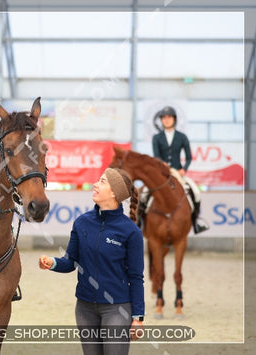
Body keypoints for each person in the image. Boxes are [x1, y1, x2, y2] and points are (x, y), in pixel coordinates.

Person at [39, 168, 145, 355]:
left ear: (115, 193)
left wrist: (138, 317)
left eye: (102, 181)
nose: (95, 184)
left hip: (117, 309)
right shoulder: (82, 222)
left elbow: (136, 278)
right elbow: (70, 262)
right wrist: (52, 263)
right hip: (84, 308)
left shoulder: (131, 232)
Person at [140, 106, 209, 234]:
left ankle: (196, 222)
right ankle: (140, 221)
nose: (166, 120)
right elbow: (156, 155)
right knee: (144, 193)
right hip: (162, 173)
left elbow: (189, 157)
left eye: (169, 117)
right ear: (161, 120)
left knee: (195, 192)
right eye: (164, 118)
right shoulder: (157, 137)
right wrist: (162, 163)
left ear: (174, 119)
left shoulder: (182, 137)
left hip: (178, 173)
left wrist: (184, 169)